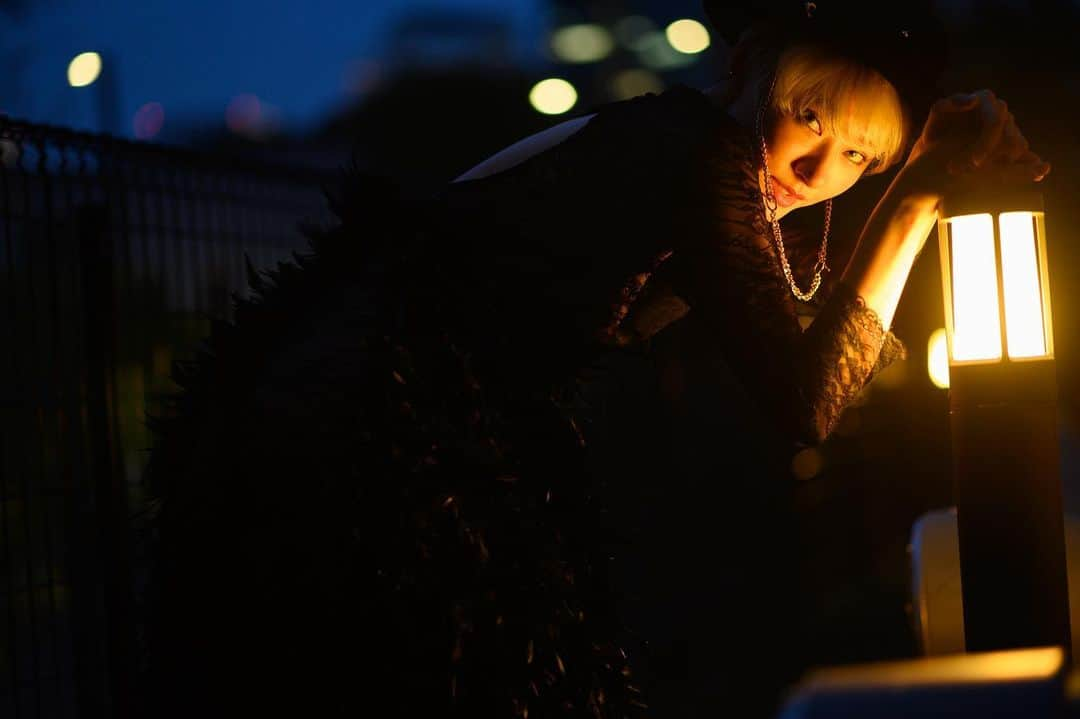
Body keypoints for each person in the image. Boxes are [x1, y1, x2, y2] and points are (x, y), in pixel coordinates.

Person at [140, 1, 1049, 718]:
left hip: (366, 401)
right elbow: (810, 398)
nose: (818, 169)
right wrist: (915, 195)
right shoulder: (703, 158)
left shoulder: (671, 138)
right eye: (810, 116)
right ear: (749, 72)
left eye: (860, 154)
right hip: (375, 428)